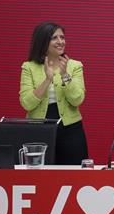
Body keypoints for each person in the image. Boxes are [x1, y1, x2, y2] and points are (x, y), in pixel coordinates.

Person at [19, 22, 89, 164]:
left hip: (70, 130)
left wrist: (64, 75)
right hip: (39, 129)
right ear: (43, 41)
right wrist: (47, 79)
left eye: (62, 37)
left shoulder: (74, 66)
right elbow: (27, 103)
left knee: (74, 176)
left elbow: (77, 99)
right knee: (40, 176)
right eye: (54, 38)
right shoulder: (29, 67)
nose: (60, 42)